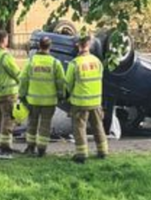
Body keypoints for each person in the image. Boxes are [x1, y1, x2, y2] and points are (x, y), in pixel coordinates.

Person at [66, 31, 108, 164]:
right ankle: (103, 151)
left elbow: (68, 83)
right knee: (98, 126)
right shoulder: (97, 62)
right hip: (95, 101)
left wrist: (69, 95)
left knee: (79, 128)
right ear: (89, 45)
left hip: (80, 102)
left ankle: (81, 154)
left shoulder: (75, 63)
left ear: (78, 45)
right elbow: (100, 78)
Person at [19, 37, 65, 157]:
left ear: (39, 46)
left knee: (32, 123)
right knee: (45, 125)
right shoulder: (55, 63)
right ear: (50, 47)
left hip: (33, 100)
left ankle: (30, 147)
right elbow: (61, 82)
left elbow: (23, 79)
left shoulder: (31, 61)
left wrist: (22, 95)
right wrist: (61, 95)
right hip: (49, 102)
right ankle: (41, 149)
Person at [0, 30, 21, 158]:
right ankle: (5, 147)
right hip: (8, 93)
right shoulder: (5, 56)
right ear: (4, 40)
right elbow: (16, 73)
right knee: (8, 120)